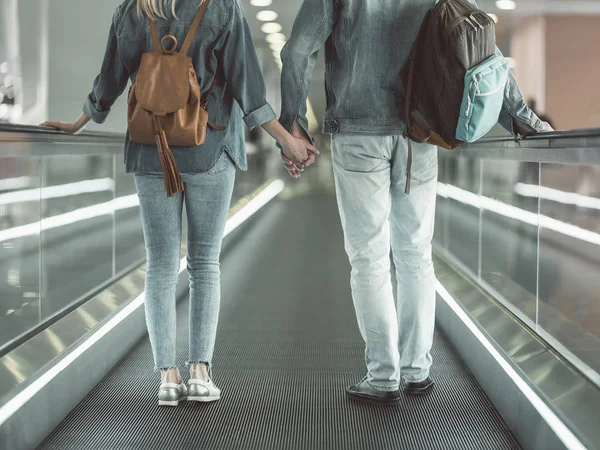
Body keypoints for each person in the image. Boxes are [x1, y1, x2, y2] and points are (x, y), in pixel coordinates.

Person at [42, 0, 317, 407]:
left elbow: (110, 82)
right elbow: (247, 88)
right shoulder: (222, 7)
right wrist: (288, 140)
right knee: (205, 264)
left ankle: (167, 377)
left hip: (151, 151)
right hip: (211, 147)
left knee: (160, 265)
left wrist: (78, 123)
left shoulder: (131, 11)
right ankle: (200, 374)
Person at [279, 0, 552, 405]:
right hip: (419, 131)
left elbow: (298, 50)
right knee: (415, 255)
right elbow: (479, 43)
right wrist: (523, 119)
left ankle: (383, 375)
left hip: (358, 130)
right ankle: (417, 370)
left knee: (369, 258)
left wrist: (293, 123)